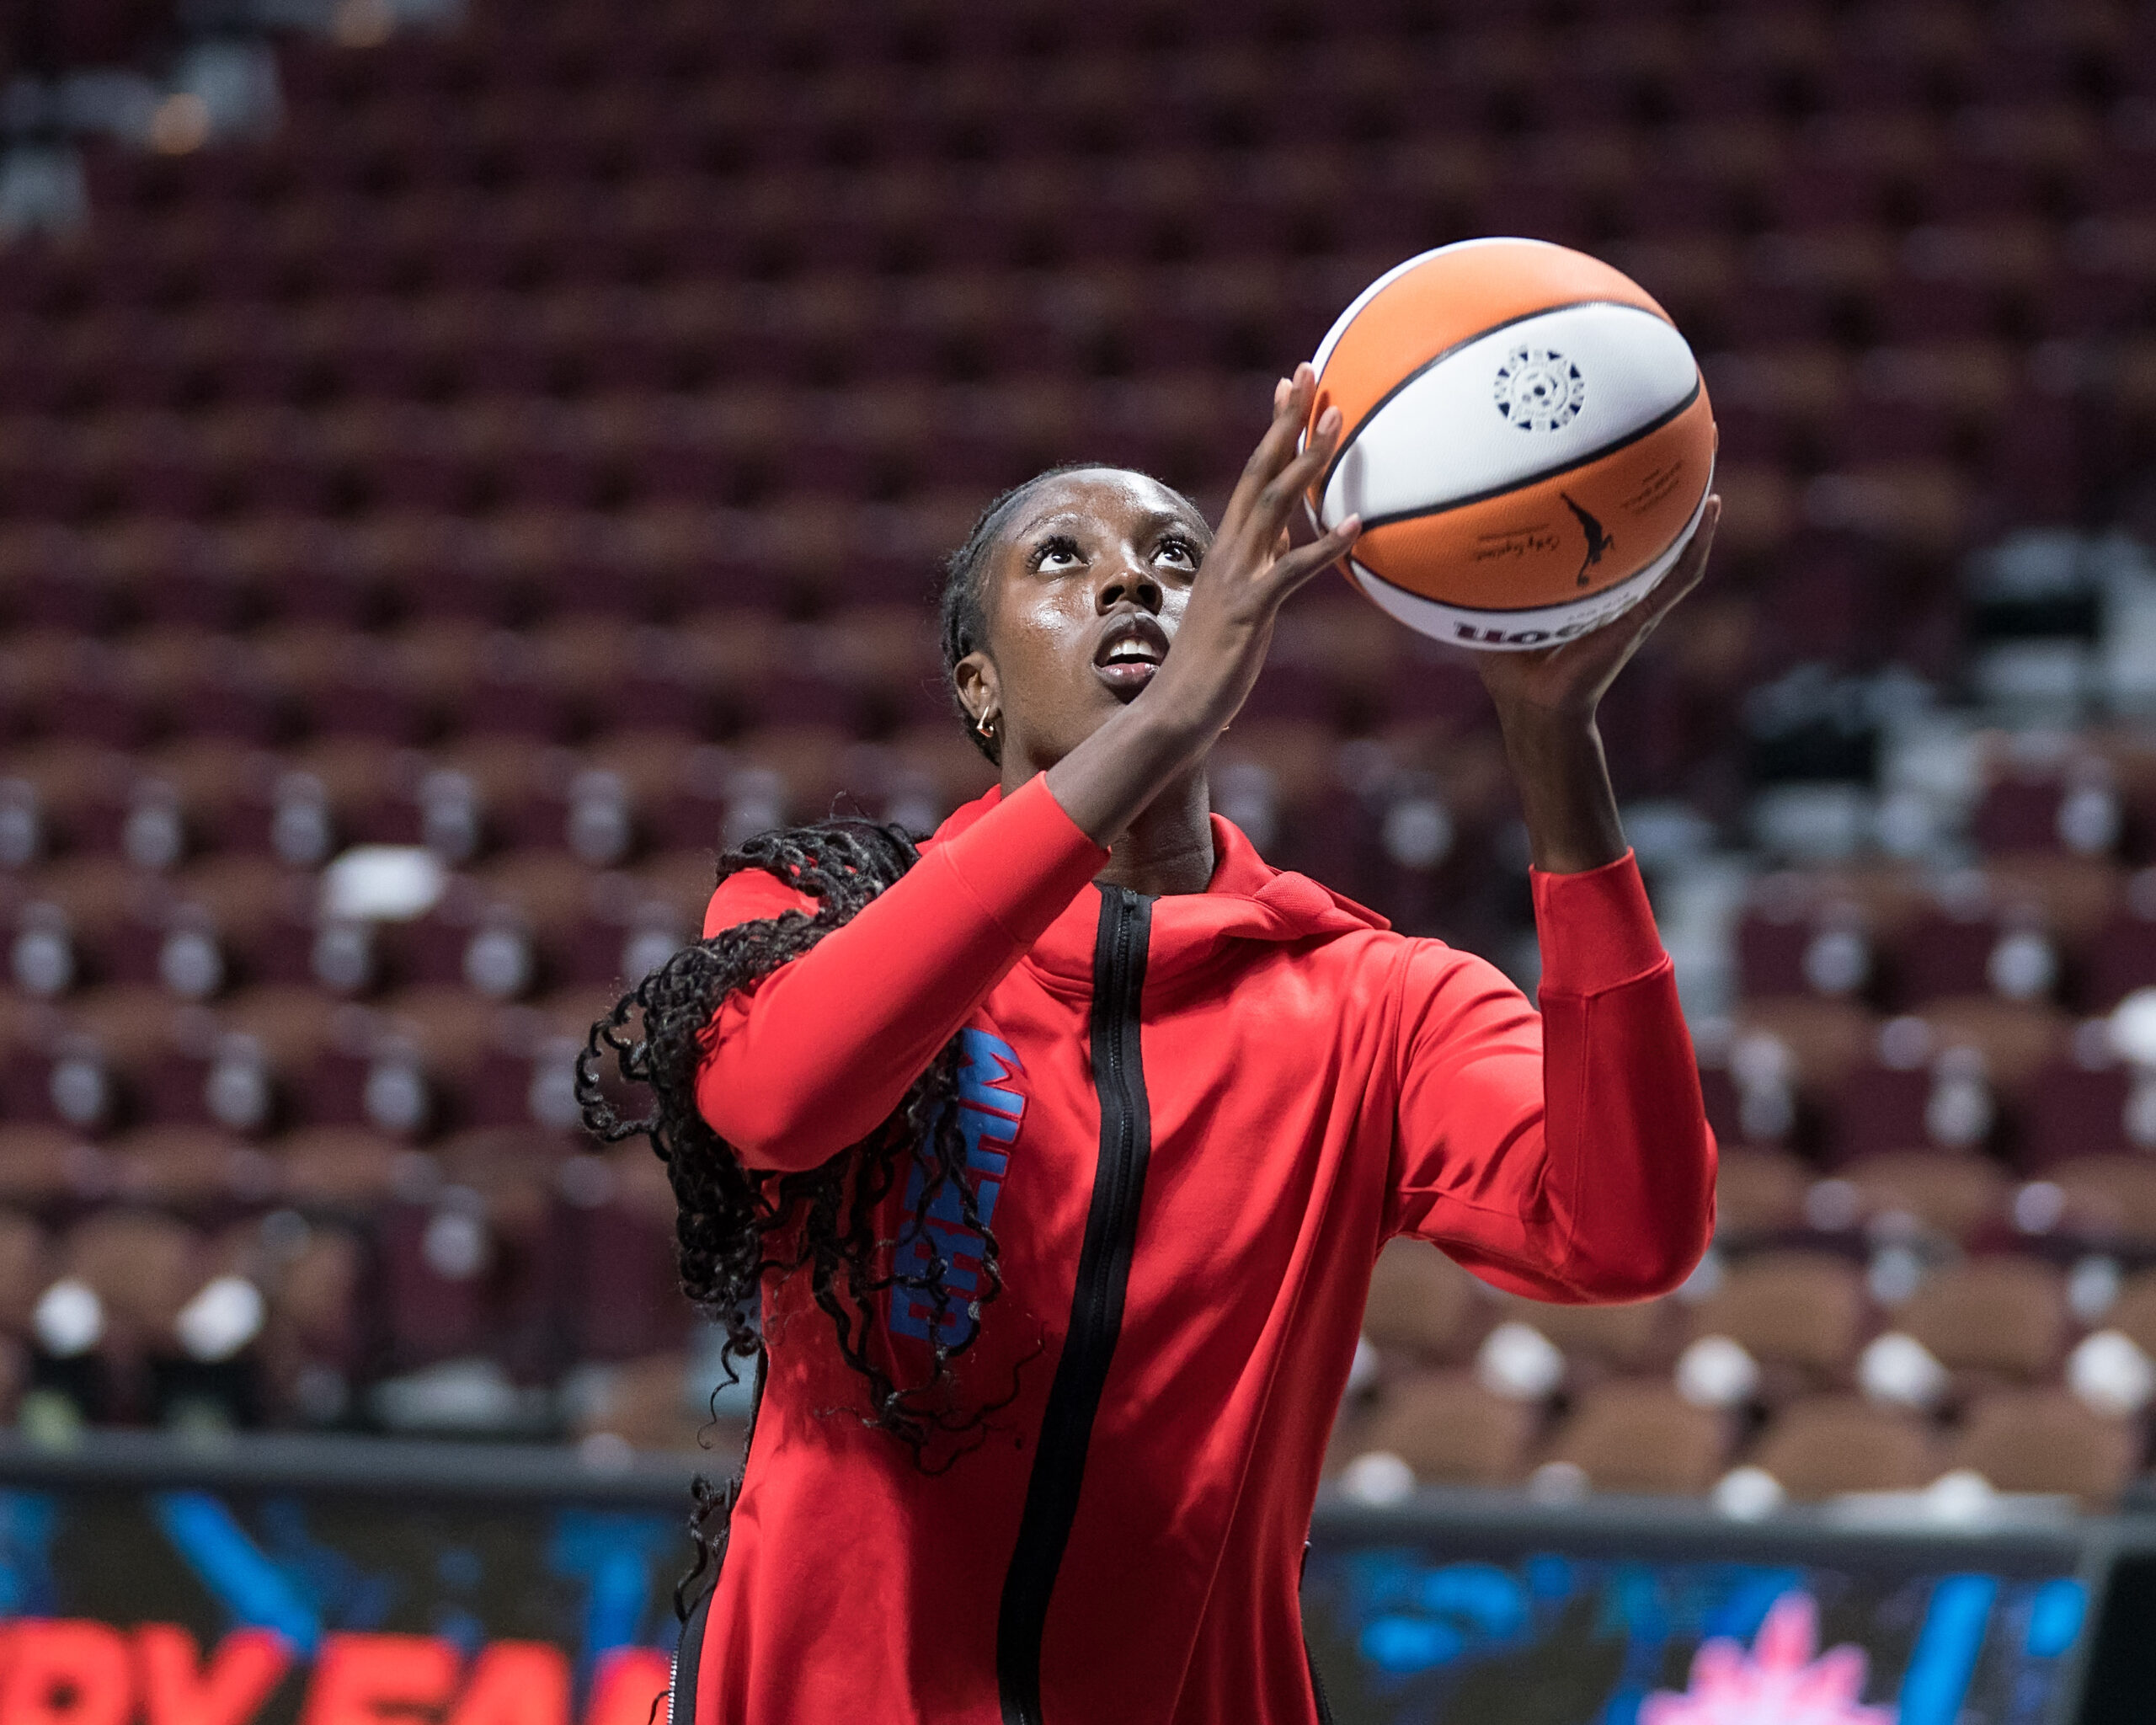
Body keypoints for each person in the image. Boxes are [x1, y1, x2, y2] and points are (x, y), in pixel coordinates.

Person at [582, 363, 1720, 1725]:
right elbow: (783, 1100)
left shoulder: (1375, 1001)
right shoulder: (820, 910)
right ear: (980, 689)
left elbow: (1629, 1231)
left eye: (1178, 557)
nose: (1133, 585)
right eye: (1062, 562)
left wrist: (1554, 742)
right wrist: (1162, 721)